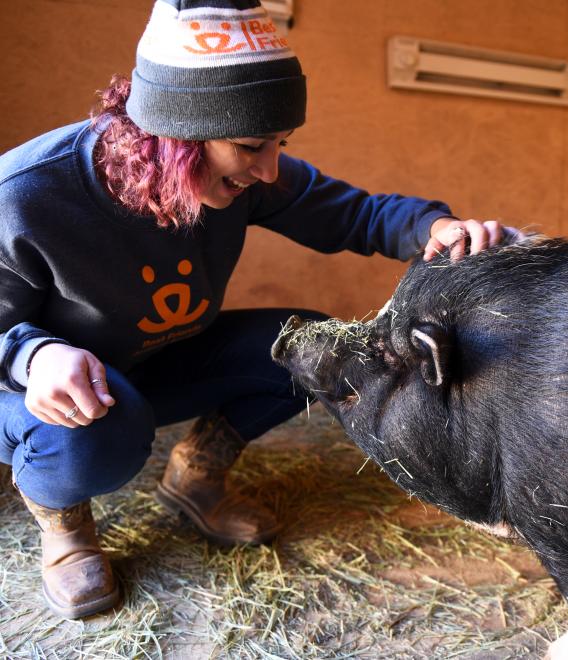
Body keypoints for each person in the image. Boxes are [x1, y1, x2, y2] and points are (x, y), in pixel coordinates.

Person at [0, 0, 514, 620]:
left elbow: (353, 212)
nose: (269, 168)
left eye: (281, 144)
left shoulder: (243, 172)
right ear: (176, 133)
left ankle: (195, 474)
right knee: (100, 433)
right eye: (251, 145)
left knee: (318, 348)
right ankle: (66, 529)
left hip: (151, 358)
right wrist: (36, 355)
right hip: (42, 392)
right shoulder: (27, 193)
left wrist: (434, 227)